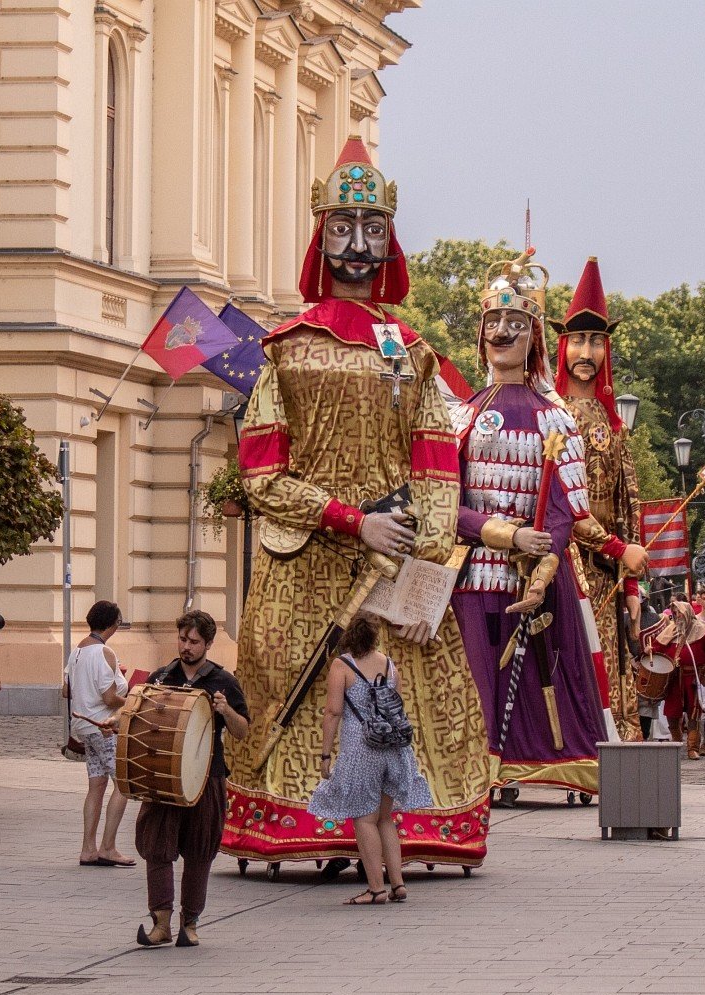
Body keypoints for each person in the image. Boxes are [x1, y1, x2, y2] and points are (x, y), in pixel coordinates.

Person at [223, 136, 491, 870]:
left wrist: (426, 546)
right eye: (343, 228)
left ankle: (400, 833)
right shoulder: (284, 348)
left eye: (373, 231)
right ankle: (290, 823)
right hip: (304, 558)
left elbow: (436, 461)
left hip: (392, 558)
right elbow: (261, 472)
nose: (358, 245)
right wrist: (348, 518)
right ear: (321, 236)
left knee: (402, 700)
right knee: (289, 687)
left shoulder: (410, 351)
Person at [451, 249, 646, 796]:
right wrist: (504, 533)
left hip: (544, 573)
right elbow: (444, 500)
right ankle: (479, 773)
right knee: (477, 675)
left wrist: (547, 559)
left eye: (516, 323)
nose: (503, 332)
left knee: (557, 675)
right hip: (474, 574)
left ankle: (549, 766)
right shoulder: (461, 415)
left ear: (535, 335)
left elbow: (568, 507)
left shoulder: (554, 415)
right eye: (493, 322)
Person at [552, 256, 650, 743]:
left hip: (606, 569)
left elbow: (630, 510)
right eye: (577, 339)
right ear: (562, 345)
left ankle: (608, 756)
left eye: (596, 340)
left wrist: (632, 586)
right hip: (555, 562)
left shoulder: (616, 428)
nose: (586, 350)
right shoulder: (548, 414)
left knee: (607, 663)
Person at [133, 610, 249, 947]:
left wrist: (227, 711)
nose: (186, 646)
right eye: (182, 639)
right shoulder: (161, 677)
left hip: (206, 777)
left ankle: (191, 923)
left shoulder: (223, 682)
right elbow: (139, 720)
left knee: (199, 851)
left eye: (194, 641)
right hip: (163, 777)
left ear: (209, 644)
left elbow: (243, 731)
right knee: (157, 848)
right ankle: (160, 925)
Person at [310, 616, 434, 905]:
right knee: (385, 819)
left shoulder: (342, 665)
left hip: (361, 748)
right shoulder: (390, 665)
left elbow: (333, 712)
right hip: (393, 748)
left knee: (364, 818)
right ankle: (398, 884)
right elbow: (396, 708)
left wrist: (326, 754)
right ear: (375, 636)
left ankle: (376, 889)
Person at [68, 600, 135, 868]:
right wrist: (132, 702)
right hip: (104, 727)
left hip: (84, 727)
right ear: (112, 623)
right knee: (124, 784)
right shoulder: (103, 652)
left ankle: (88, 849)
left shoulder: (77, 651)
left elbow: (66, 690)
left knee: (96, 786)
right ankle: (108, 847)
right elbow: (108, 697)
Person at [650, 598, 705, 760]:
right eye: (674, 614)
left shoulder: (702, 630)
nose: (677, 617)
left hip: (695, 679)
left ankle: (692, 748)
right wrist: (649, 650)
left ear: (687, 613)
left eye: (679, 613)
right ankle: (676, 744)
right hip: (674, 678)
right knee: (672, 713)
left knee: (694, 714)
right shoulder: (670, 631)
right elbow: (657, 647)